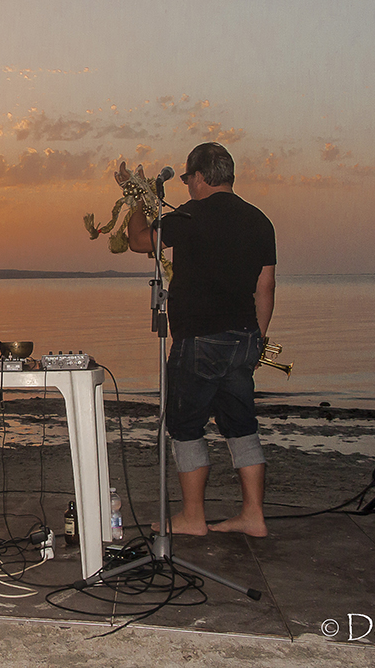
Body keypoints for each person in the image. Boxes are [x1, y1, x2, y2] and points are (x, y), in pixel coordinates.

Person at [127, 141, 276, 537]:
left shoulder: (191, 215)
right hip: (245, 337)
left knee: (186, 426)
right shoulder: (259, 220)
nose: (187, 186)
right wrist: (258, 338)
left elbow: (140, 241)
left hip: (200, 339)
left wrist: (135, 200)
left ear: (199, 176)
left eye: (188, 177)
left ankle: (193, 517)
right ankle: (253, 515)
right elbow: (266, 286)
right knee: (242, 425)